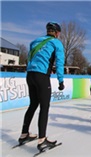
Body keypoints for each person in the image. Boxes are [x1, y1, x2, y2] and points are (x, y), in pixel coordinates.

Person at [18, 22, 65, 151]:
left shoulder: (34, 42)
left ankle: (24, 134)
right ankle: (42, 140)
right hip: (42, 76)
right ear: (57, 33)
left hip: (30, 75)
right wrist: (61, 81)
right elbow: (60, 63)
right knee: (44, 107)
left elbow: (30, 59)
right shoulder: (56, 43)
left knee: (33, 104)